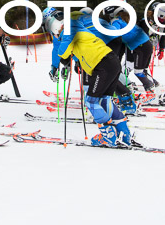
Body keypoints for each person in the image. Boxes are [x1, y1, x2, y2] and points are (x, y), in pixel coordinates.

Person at [43, 8, 133, 147]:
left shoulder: (68, 32)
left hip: (102, 65)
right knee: (104, 100)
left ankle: (108, 135)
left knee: (91, 102)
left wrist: (59, 45)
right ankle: (123, 131)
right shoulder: (78, 27)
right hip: (111, 61)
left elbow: (63, 54)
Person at [76, 8, 137, 115]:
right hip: (115, 41)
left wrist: (78, 60)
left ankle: (110, 100)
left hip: (108, 44)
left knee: (103, 72)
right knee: (110, 71)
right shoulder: (96, 20)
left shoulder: (81, 22)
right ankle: (125, 95)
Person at [105, 0, 158, 101]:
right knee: (139, 71)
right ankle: (151, 88)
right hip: (143, 45)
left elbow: (112, 33)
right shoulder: (123, 18)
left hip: (141, 46)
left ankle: (151, 91)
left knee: (138, 72)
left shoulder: (117, 21)